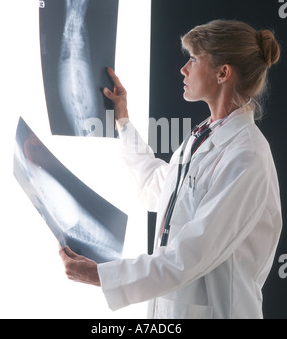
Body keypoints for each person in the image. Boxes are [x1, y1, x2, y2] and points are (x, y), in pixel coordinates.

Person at [59, 20, 282, 319]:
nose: (183, 69)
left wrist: (102, 276)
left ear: (223, 73)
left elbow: (190, 255)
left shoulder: (247, 155)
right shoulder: (203, 137)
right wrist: (122, 121)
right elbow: (155, 185)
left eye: (192, 59)